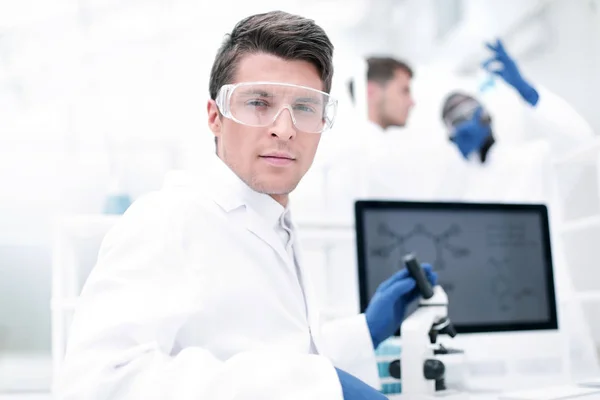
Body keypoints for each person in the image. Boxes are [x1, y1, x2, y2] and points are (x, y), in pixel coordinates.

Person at [56, 10, 437, 400]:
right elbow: (95, 384)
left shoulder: (271, 220)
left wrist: (365, 331)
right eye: (258, 102)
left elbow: (272, 353)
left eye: (305, 107)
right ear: (215, 117)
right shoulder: (168, 219)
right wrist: (321, 387)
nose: (285, 128)